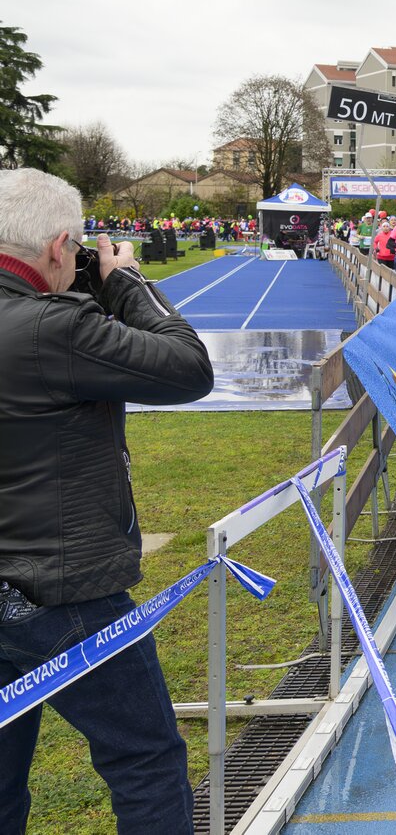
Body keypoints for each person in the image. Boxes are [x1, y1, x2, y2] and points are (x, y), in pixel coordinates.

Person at [0, 169, 215, 834]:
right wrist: (125, 282)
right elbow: (187, 368)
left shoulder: (43, 320)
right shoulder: (53, 328)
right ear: (59, 246)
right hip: (63, 586)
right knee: (144, 759)